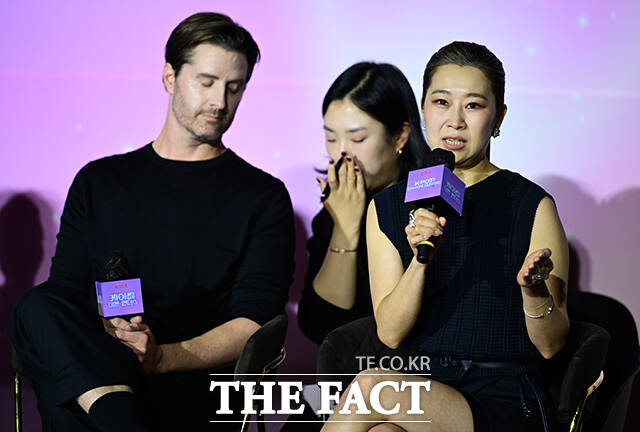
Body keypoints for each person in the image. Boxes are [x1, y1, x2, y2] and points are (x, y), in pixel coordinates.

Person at [10, 12, 294, 432]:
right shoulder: (99, 181)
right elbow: (65, 292)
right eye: (206, 82)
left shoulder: (263, 196)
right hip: (98, 365)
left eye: (234, 88)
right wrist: (110, 333)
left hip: (188, 383)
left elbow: (254, 323)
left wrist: (161, 357)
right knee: (37, 308)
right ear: (169, 77)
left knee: (71, 399)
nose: (219, 102)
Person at [322, 41, 569, 432]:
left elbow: (551, 345)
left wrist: (534, 292)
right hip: (424, 387)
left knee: (371, 389)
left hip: (504, 396)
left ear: (498, 117)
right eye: (441, 102)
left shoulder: (531, 205)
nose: (455, 121)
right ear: (423, 109)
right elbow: (390, 333)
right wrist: (421, 260)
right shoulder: (388, 207)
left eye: (473, 105)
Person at [298, 62, 431, 345]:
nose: (341, 153)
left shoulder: (430, 205)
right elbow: (319, 327)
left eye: (357, 138)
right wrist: (344, 228)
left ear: (400, 136)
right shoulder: (334, 209)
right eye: (330, 137)